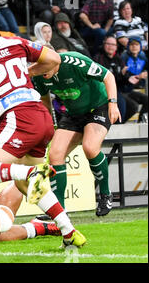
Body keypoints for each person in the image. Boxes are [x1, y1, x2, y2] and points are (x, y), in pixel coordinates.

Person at [0, 8, 85, 248]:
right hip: (42, 116)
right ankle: (68, 230)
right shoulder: (12, 40)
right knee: (31, 186)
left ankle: (23, 172)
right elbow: (54, 60)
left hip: (19, 118)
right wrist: (28, 71)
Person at [32, 51, 121, 217]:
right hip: (73, 113)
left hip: (99, 107)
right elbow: (45, 100)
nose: (42, 71)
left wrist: (113, 104)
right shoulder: (38, 74)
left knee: (89, 147)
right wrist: (50, 124)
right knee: (55, 154)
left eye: (44, 66)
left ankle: (105, 194)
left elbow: (108, 76)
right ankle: (59, 211)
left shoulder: (75, 62)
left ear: (54, 60)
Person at [120, 35, 148, 122]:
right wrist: (138, 76)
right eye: (132, 45)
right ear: (128, 46)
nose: (134, 47)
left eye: (136, 45)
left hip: (135, 87)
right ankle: (121, 122)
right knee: (133, 106)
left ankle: (141, 120)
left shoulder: (143, 57)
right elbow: (123, 76)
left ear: (140, 46)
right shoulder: (124, 57)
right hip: (123, 90)